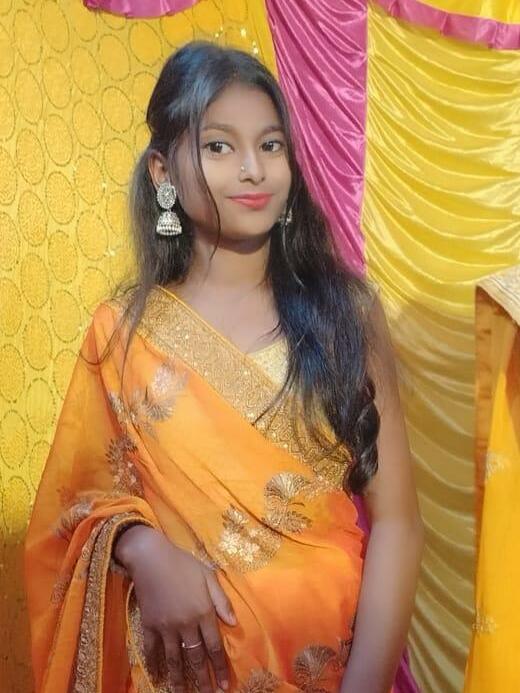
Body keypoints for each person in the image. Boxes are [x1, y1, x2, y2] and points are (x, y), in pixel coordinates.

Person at [25, 42, 424, 693]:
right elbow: (70, 512)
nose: (252, 168)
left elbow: (399, 523)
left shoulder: (345, 314)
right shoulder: (124, 334)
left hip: (332, 667)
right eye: (219, 146)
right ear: (163, 172)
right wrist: (140, 548)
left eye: (270, 145)